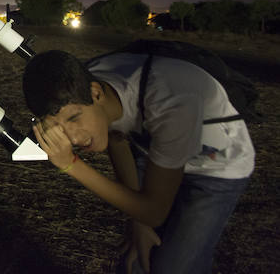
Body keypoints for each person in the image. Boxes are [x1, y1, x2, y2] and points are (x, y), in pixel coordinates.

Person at [23, 49, 254, 274]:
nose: (73, 137)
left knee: (174, 267)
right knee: (137, 262)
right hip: (153, 148)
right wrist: (138, 220)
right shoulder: (88, 83)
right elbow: (116, 137)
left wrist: (71, 164)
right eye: (60, 127)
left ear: (96, 93)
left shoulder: (169, 100)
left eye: (74, 118)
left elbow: (153, 212)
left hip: (215, 166)